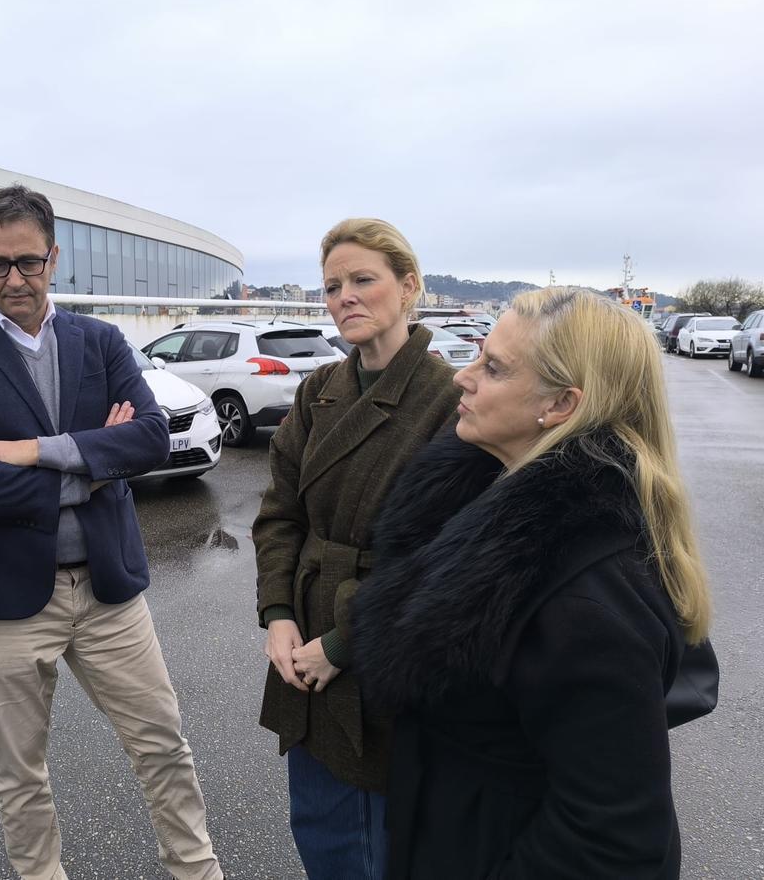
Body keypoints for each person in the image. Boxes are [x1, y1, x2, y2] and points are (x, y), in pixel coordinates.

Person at [352, 287, 713, 878]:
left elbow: (613, 843)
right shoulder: (485, 494)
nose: (461, 379)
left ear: (562, 405)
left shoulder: (587, 599)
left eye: (492, 368)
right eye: (477, 355)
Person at [0, 184, 222, 880]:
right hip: (4, 603)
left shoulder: (102, 340)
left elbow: (149, 440)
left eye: (28, 261)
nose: (14, 279)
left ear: (55, 256)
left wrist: (33, 451)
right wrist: (92, 461)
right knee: (21, 776)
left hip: (110, 591)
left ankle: (196, 870)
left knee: (163, 745)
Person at [253, 218, 460, 878]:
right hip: (306, 640)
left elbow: (447, 556)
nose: (344, 296)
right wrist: (279, 614)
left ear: (408, 287)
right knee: (320, 827)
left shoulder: (449, 401)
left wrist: (344, 644)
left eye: (362, 280)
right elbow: (280, 514)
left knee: (375, 842)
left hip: (386, 647)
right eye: (332, 285)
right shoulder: (320, 391)